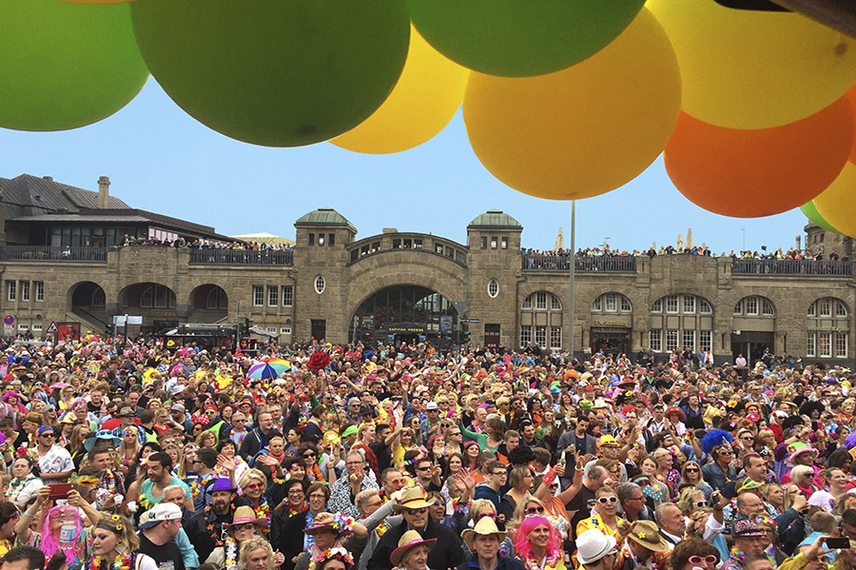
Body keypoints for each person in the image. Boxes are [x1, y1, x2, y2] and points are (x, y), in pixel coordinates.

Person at [368, 486, 465, 570]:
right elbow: (374, 566)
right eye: (412, 511)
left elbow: (461, 563)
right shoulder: (390, 536)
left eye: (422, 510)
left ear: (427, 510)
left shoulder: (446, 534)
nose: (418, 514)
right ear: (403, 513)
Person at [186, 478, 250, 564]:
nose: (218, 498)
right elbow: (188, 551)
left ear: (232, 497)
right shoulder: (196, 521)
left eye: (223, 494)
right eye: (215, 495)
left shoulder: (239, 519)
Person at [205, 505, 283, 570]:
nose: (242, 530)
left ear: (255, 529)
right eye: (237, 527)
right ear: (233, 531)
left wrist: (276, 566)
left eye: (248, 527)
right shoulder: (218, 553)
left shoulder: (265, 547)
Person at [85, 514, 158, 570]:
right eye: (95, 537)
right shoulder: (88, 566)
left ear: (119, 538)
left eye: (102, 537)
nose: (95, 542)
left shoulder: (142, 563)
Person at [458, 516, 525, 570]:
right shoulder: (464, 568)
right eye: (482, 539)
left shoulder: (515, 567)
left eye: (492, 539)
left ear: (499, 543)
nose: (488, 544)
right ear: (474, 544)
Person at [328, 450, 379, 519]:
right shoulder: (337, 485)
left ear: (364, 464)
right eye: (350, 463)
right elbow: (331, 508)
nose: (353, 465)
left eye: (356, 462)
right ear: (345, 466)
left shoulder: (372, 486)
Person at [137, 502, 186, 570]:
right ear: (166, 523)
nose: (180, 525)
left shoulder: (173, 548)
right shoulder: (133, 546)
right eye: (178, 522)